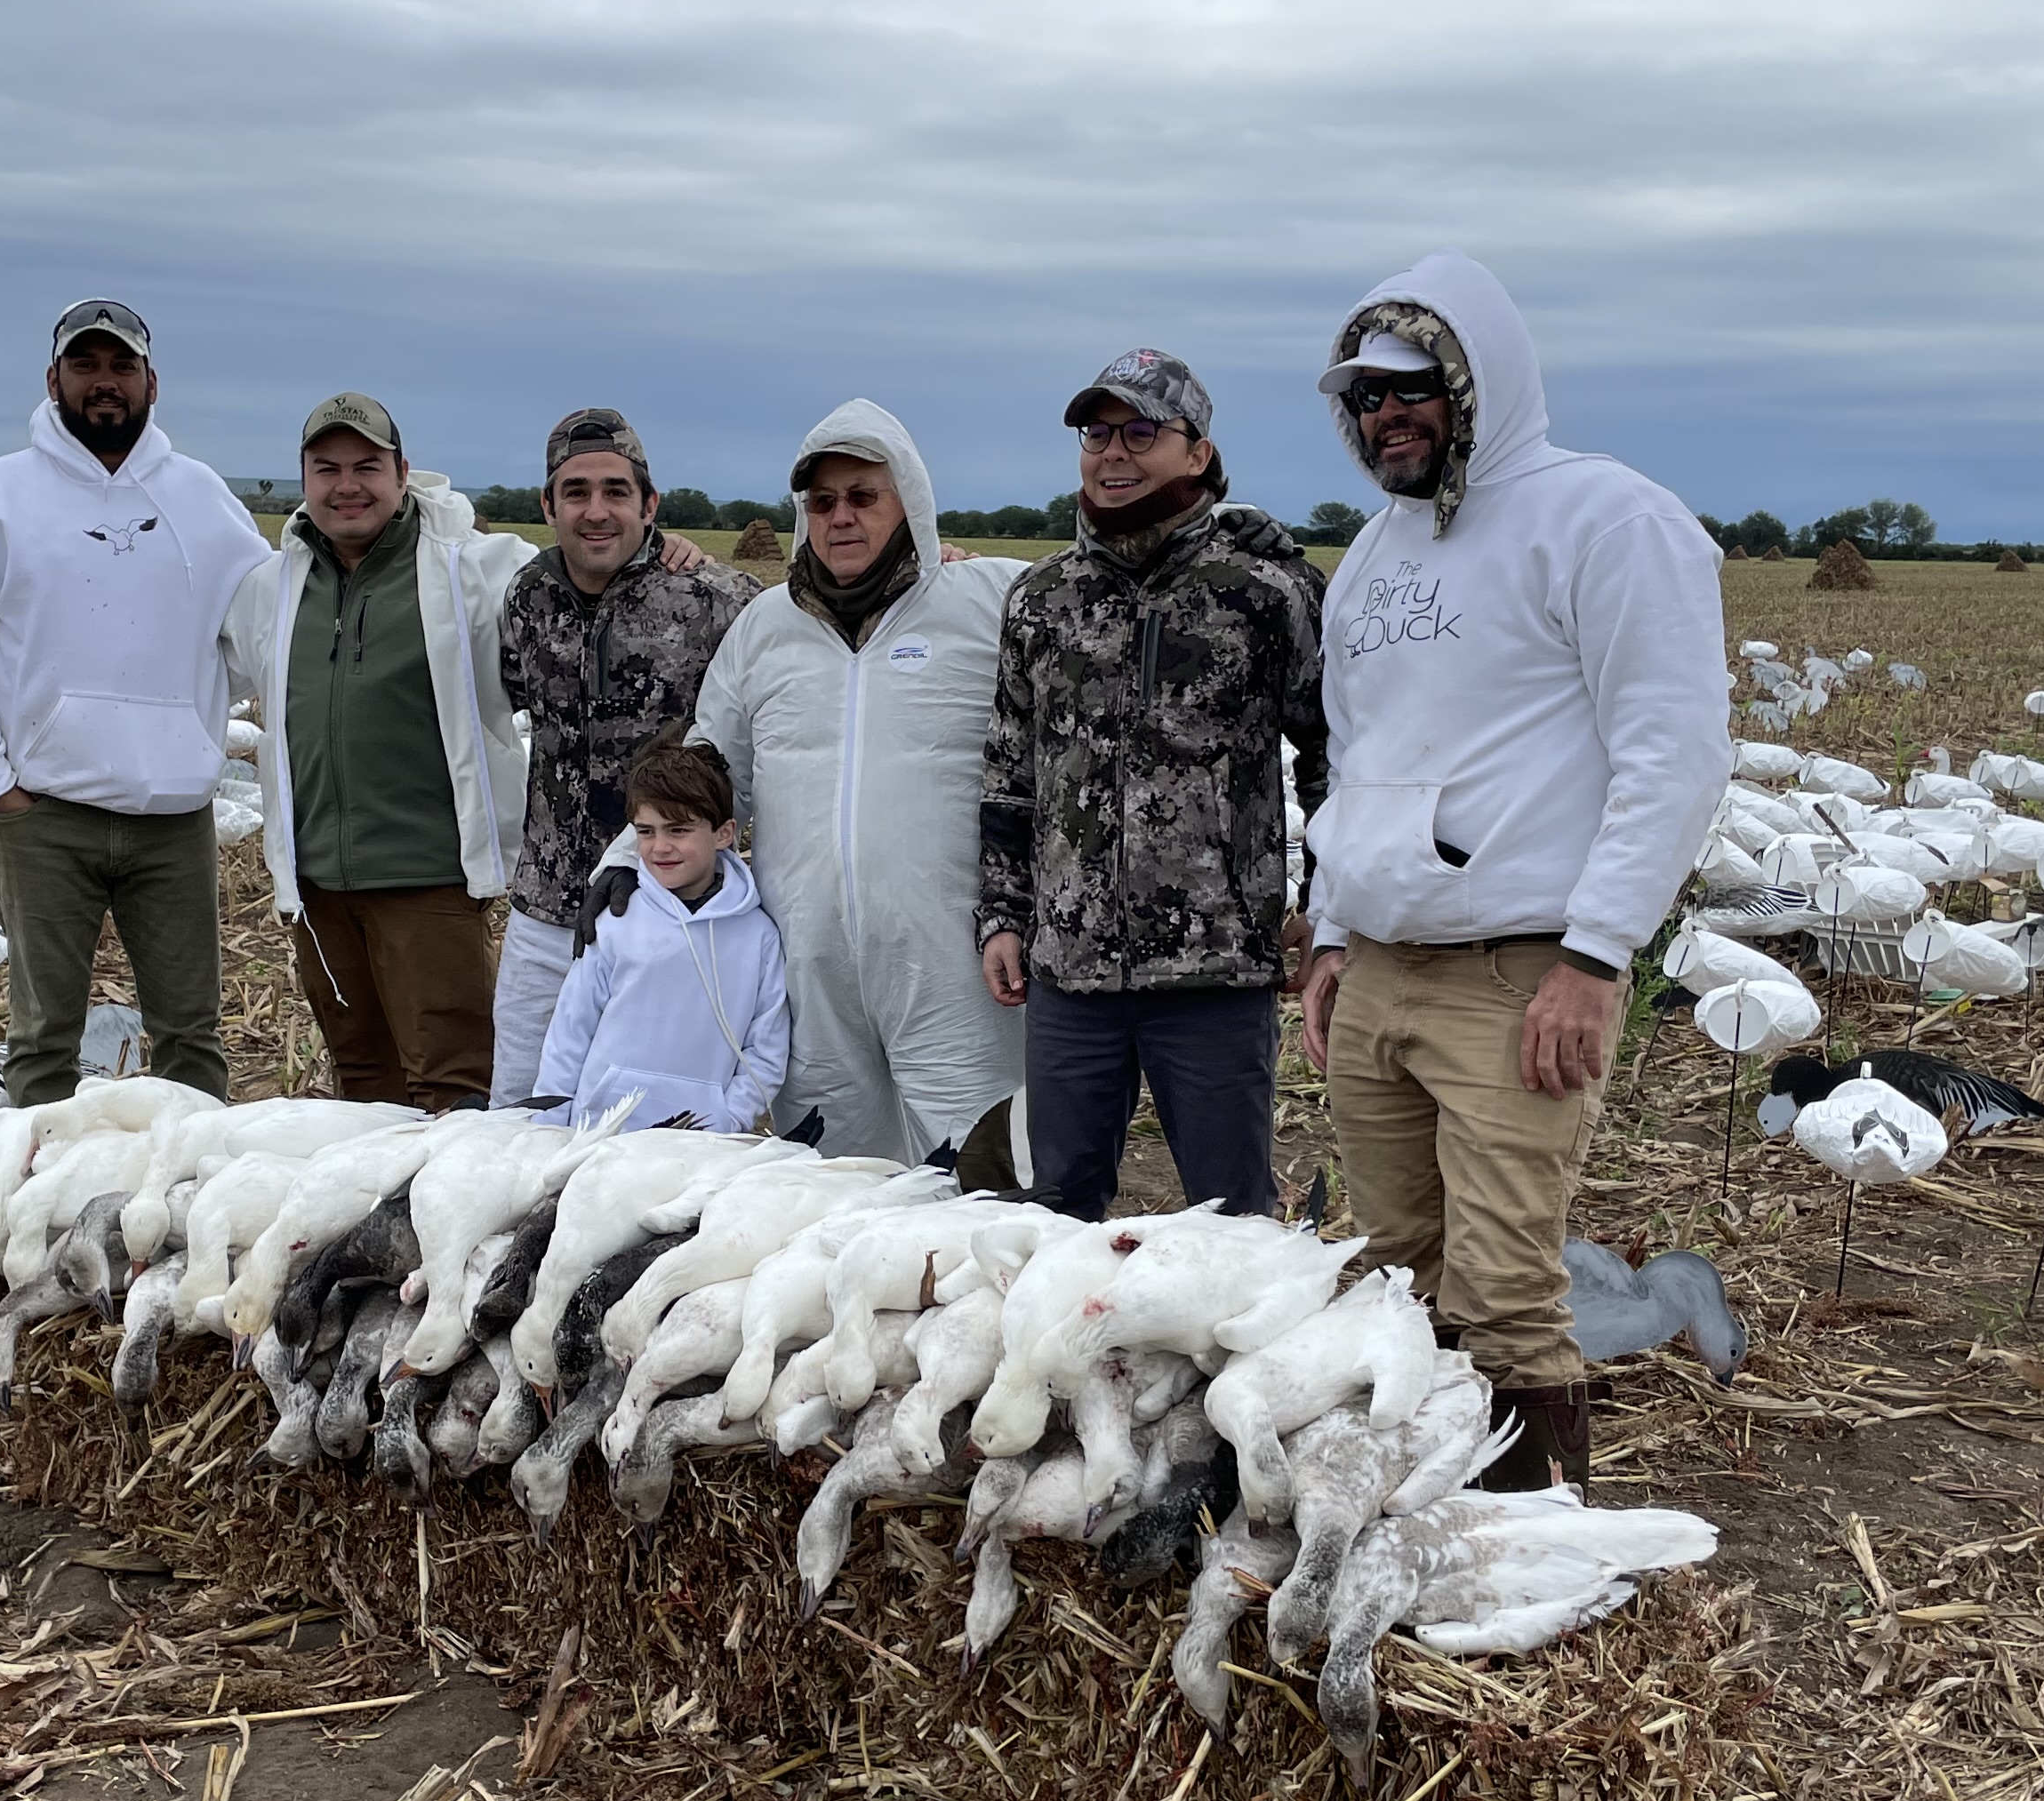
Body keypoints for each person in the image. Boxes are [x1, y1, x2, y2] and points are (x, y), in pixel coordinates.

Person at [1294, 252, 1730, 1488]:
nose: (1387, 414)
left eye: (1412, 385)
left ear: (1479, 381)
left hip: (1518, 969)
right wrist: (1334, 934)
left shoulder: (1604, 519)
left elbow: (1677, 750)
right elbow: (1355, 760)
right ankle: (1429, 1509)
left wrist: (1596, 958)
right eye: (1363, 395)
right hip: (1382, 966)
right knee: (1395, 1266)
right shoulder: (1373, 560)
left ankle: (1537, 1533)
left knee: (1505, 1284)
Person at [977, 349, 1327, 1222]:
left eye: (1142, 431)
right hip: (1071, 976)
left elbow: (1334, 761)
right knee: (1056, 1216)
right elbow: (1009, 770)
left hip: (1213, 975)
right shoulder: (1042, 599)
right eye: (1097, 432)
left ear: (1198, 453)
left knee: (1232, 1221)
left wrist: (1329, 905)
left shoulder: (1265, 593)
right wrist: (1001, 913)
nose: (1114, 452)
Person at [0, 298, 271, 1104]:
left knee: (189, 1032)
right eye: (86, 365)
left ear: (152, 382)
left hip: (174, 818)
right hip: (44, 815)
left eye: (121, 366)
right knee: (43, 1037)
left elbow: (260, 634)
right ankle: (33, 1201)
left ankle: (189, 1198)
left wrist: (194, 714)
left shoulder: (203, 499)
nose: (104, 383)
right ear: (54, 380)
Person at [690, 403, 1024, 1170]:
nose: (840, 517)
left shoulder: (988, 602)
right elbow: (706, 776)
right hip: (807, 969)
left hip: (954, 963)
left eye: (864, 496)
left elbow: (1107, 596)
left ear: (910, 500)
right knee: (832, 1184)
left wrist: (1227, 534)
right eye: (822, 502)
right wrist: (627, 867)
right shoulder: (764, 628)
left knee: (975, 1177)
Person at [220, 394, 541, 1110]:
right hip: (315, 889)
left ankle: (452, 1222)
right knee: (362, 1085)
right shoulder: (270, 589)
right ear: (303, 478)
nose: (347, 485)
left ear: (402, 471)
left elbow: (590, 576)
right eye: (326, 468)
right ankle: (376, 1224)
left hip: (427, 879)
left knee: (454, 1087)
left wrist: (663, 548)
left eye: (367, 465)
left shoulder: (476, 572)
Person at [490, 408, 757, 1104]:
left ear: (650, 504)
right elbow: (515, 690)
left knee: (641, 1118)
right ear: (548, 505)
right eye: (575, 492)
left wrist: (935, 566)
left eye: (616, 491)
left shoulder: (711, 598)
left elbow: (817, 624)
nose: (596, 511)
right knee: (518, 1106)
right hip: (545, 908)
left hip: (662, 909)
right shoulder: (528, 596)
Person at [531, 734, 789, 1135]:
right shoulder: (616, 920)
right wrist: (548, 1126)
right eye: (646, 831)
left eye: (678, 830)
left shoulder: (759, 936)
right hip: (598, 1135)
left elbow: (766, 1048)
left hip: (698, 1141)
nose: (659, 847)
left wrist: (729, 1117)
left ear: (724, 834)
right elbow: (569, 1032)